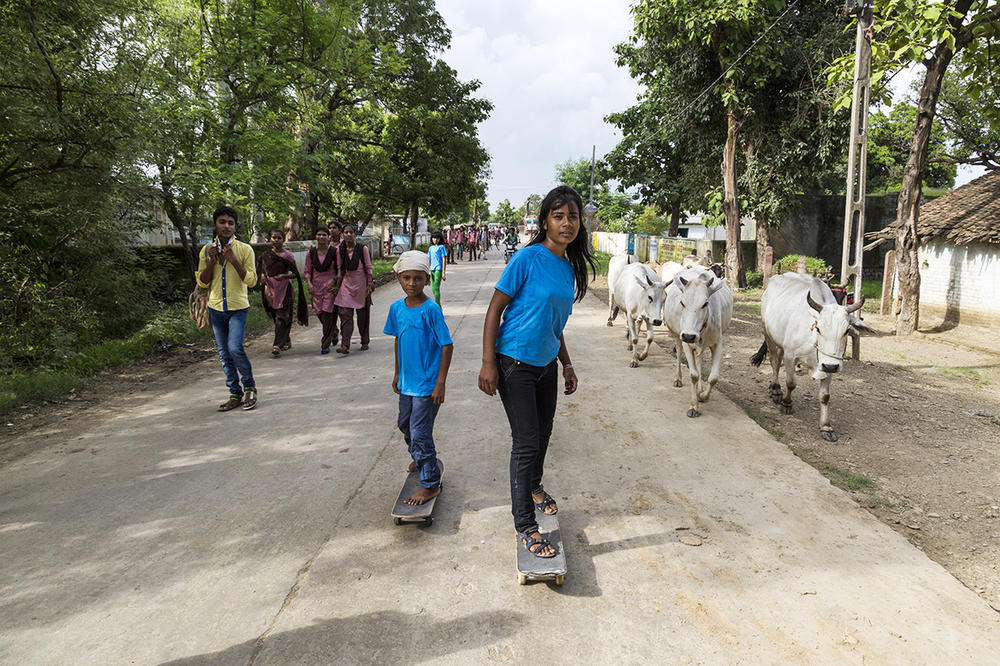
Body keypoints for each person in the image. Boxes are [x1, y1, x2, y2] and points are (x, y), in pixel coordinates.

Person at [477, 185, 595, 558]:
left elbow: (553, 322)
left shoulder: (567, 267)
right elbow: (495, 309)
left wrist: (567, 363)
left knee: (543, 434)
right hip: (514, 362)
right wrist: (487, 362)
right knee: (525, 442)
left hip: (546, 363)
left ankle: (534, 485)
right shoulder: (526, 259)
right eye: (558, 216)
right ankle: (526, 525)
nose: (566, 223)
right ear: (545, 220)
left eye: (572, 216)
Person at [384, 250, 454, 504]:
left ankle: (430, 483)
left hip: (427, 385)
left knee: (421, 432)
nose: (411, 283)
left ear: (427, 279)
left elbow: (447, 345)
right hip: (406, 383)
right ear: (399, 279)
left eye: (417, 278)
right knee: (405, 425)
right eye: (406, 278)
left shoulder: (431, 310)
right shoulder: (396, 309)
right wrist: (396, 372)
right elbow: (398, 340)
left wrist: (441, 382)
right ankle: (419, 457)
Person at [196, 205, 259, 411]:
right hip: (215, 308)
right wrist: (212, 262)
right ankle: (235, 393)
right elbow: (203, 282)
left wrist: (233, 260)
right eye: (222, 222)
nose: (226, 226)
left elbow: (251, 281)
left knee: (235, 348)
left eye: (230, 223)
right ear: (215, 225)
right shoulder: (206, 251)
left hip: (238, 308)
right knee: (223, 354)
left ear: (235, 226)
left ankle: (249, 388)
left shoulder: (244, 250)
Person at [258, 229, 308, 357]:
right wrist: (263, 276)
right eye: (274, 237)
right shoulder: (266, 255)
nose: (276, 240)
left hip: (284, 288)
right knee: (275, 316)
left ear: (283, 239)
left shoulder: (288, 256)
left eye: (279, 238)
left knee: (283, 316)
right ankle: (286, 339)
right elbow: (263, 270)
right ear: (270, 239)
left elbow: (295, 274)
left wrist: (284, 276)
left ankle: (277, 345)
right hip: (270, 289)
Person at [333, 223, 374, 353]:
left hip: (361, 286)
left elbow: (368, 268)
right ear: (342, 235)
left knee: (363, 317)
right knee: (345, 316)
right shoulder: (340, 250)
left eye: (351, 232)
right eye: (346, 232)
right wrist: (337, 286)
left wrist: (369, 284)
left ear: (355, 234)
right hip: (346, 285)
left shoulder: (362, 249)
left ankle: (364, 340)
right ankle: (345, 345)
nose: (349, 235)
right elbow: (340, 269)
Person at [306, 225, 340, 354]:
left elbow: (339, 269)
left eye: (324, 235)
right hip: (316, 287)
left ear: (328, 237)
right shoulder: (311, 253)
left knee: (327, 314)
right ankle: (334, 331)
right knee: (320, 314)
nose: (321, 237)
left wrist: (334, 280)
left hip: (330, 288)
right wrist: (309, 284)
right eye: (319, 235)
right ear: (315, 237)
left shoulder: (334, 252)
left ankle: (325, 344)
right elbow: (308, 270)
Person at [427, 230, 448, 305]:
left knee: (436, 287)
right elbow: (428, 259)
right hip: (432, 269)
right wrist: (426, 271)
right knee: (433, 288)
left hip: (438, 269)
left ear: (440, 239)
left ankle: (438, 306)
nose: (435, 240)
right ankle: (438, 306)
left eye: (437, 238)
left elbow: (444, 259)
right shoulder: (430, 248)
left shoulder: (441, 247)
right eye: (434, 238)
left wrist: (443, 272)